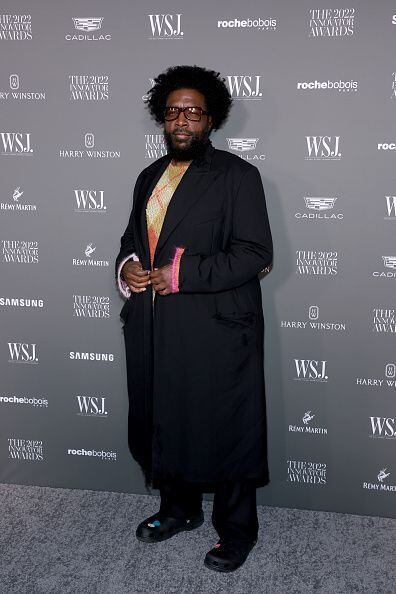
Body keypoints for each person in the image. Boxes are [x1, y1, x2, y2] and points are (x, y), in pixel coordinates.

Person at [115, 65, 273, 572]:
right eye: (174, 110)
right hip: (156, 326)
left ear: (211, 120)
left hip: (216, 326)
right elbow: (131, 241)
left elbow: (255, 254)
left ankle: (237, 530)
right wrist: (130, 267)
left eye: (194, 111)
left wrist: (184, 273)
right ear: (162, 116)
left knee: (226, 426)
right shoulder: (148, 177)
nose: (182, 120)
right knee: (166, 417)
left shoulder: (238, 177)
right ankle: (178, 509)